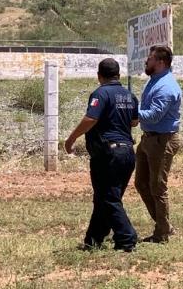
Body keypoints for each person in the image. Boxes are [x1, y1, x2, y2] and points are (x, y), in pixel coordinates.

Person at [65, 58, 138, 252]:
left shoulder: (100, 93)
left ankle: (127, 238)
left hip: (108, 154)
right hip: (128, 153)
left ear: (99, 76)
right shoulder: (130, 95)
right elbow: (134, 122)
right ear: (119, 75)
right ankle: (94, 239)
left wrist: (71, 139)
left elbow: (91, 118)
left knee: (108, 198)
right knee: (105, 198)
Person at [135, 45, 183, 243]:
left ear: (161, 62)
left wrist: (131, 112)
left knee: (158, 187)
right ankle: (164, 225)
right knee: (141, 183)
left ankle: (162, 233)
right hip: (149, 139)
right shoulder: (154, 81)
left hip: (162, 141)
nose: (147, 61)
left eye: (151, 58)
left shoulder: (165, 87)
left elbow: (155, 116)